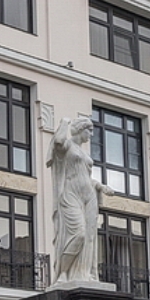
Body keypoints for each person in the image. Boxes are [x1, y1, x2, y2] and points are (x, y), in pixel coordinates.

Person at [47, 116, 110, 284]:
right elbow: (58, 142)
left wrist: (100, 186)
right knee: (79, 234)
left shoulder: (84, 153)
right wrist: (65, 122)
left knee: (89, 237)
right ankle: (63, 273)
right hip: (70, 195)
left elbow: (86, 177)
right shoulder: (67, 146)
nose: (91, 134)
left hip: (89, 197)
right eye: (89, 130)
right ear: (80, 129)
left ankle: (84, 274)